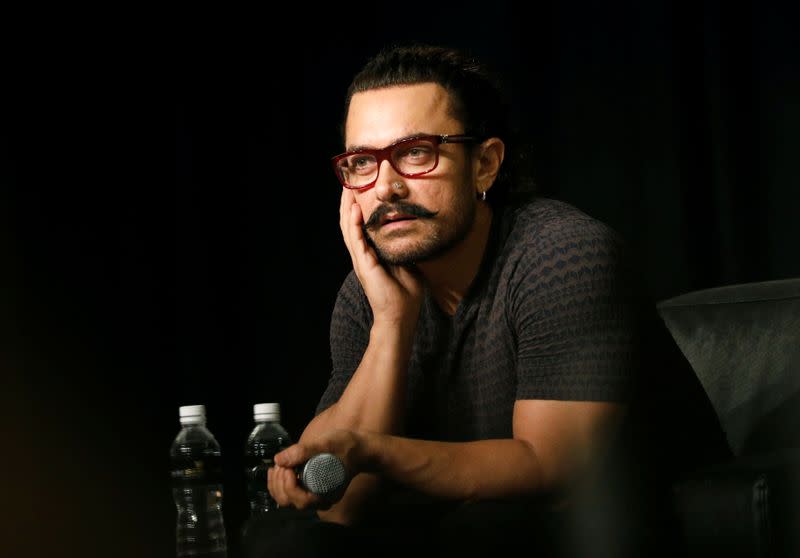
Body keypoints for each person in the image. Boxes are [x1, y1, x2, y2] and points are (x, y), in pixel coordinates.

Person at [246, 42, 728, 558]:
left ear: (485, 165)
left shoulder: (562, 255)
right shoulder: (368, 293)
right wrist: (391, 322)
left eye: (414, 153)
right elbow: (340, 508)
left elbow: (548, 467)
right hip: (463, 524)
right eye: (362, 162)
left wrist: (370, 452)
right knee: (281, 539)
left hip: (614, 523)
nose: (385, 187)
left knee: (484, 532)